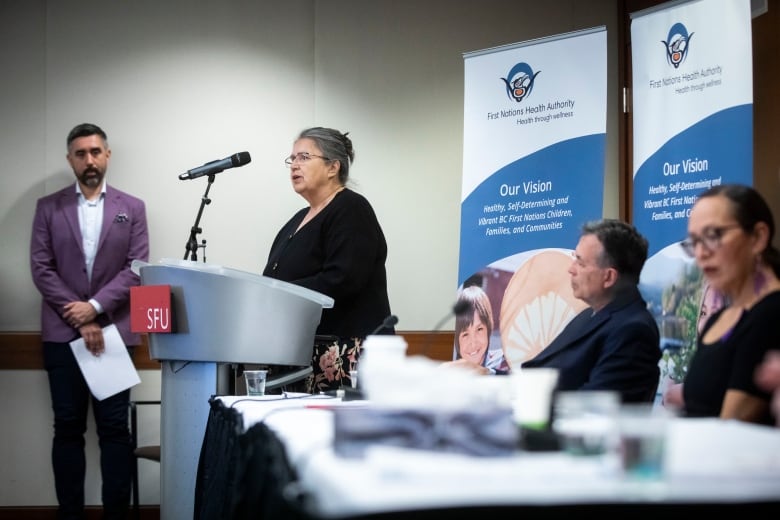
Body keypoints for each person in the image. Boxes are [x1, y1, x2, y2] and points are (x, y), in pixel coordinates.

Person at [29, 123, 149, 519]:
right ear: (70, 160)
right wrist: (80, 316)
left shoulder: (132, 208)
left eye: (96, 151)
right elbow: (41, 268)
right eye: (80, 154)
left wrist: (95, 307)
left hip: (115, 334)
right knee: (67, 429)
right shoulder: (49, 207)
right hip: (62, 336)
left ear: (108, 155)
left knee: (115, 431)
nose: (89, 160)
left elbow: (137, 269)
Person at [262, 126, 393, 393]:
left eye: (304, 157)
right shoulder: (296, 220)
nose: (294, 166)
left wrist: (281, 293)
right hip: (303, 352)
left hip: (347, 354)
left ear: (333, 167)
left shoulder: (351, 209)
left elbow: (343, 278)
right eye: (292, 159)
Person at [662, 184, 780, 424]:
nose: (701, 253)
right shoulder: (718, 319)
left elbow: (731, 427)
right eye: (694, 242)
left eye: (713, 236)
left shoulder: (772, 313)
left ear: (758, 237)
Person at [520, 219, 661, 403]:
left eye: (580, 263)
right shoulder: (587, 316)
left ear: (608, 277)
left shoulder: (633, 332)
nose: (571, 269)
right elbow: (537, 374)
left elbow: (594, 407)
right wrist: (489, 376)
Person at [447, 284, 509, 374]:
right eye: (465, 334)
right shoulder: (451, 374)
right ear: (457, 340)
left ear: (488, 329)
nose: (473, 343)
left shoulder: (504, 362)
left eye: (479, 329)